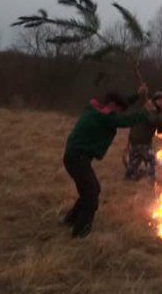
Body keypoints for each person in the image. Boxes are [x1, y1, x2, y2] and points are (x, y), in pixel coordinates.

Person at [63, 85, 150, 238]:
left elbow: (120, 107)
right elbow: (125, 120)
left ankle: (70, 220)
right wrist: (145, 111)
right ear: (112, 105)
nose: (120, 112)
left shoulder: (95, 109)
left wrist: (137, 95)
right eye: (119, 109)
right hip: (78, 159)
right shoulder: (104, 117)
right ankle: (80, 233)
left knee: (92, 190)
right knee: (91, 196)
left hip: (75, 157)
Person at [123, 90, 162, 181]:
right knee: (151, 160)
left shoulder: (149, 109)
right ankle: (150, 180)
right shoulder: (151, 110)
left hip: (134, 140)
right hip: (141, 141)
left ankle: (130, 176)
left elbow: (159, 125)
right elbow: (155, 121)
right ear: (157, 100)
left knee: (135, 162)